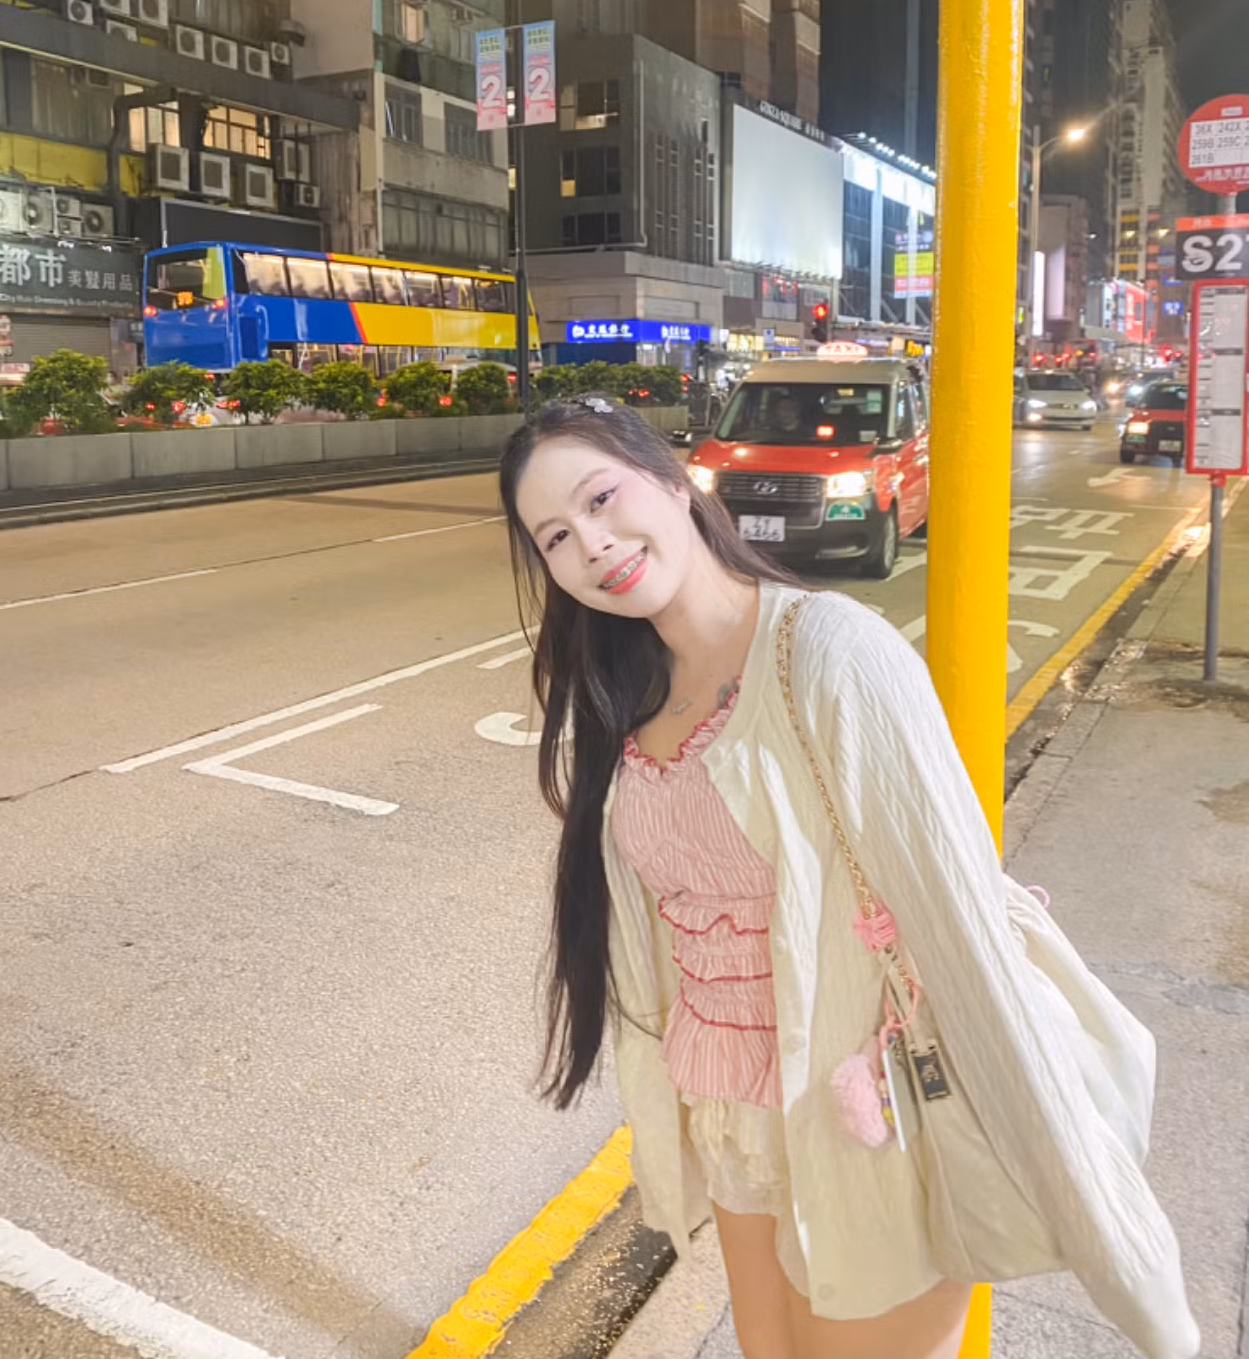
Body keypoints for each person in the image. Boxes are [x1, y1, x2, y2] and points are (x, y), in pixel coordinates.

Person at [499, 398, 1198, 1359]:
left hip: (872, 1115)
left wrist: (1119, 1251)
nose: (592, 544)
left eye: (601, 498)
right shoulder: (633, 694)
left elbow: (960, 930)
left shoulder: (828, 651)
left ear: (671, 479)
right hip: (738, 1114)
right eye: (556, 537)